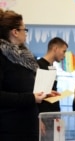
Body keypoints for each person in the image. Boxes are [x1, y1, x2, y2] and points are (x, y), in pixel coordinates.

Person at [0, 9, 47, 141]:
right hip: (9, 130)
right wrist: (31, 98)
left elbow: (25, 90)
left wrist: (43, 93)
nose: (25, 34)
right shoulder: (2, 56)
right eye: (24, 30)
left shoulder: (25, 58)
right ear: (15, 32)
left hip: (28, 127)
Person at [37, 37, 68, 140]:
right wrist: (38, 119)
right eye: (64, 51)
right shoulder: (39, 66)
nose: (64, 55)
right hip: (44, 118)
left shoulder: (52, 68)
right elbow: (37, 96)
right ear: (55, 48)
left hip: (53, 117)